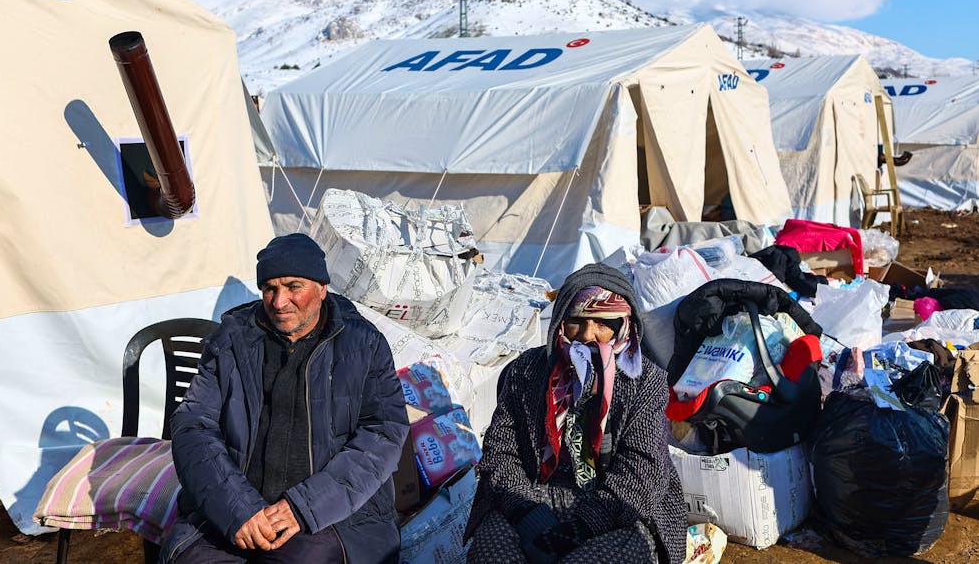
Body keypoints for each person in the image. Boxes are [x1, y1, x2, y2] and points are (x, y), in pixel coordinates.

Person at [161, 233, 409, 563]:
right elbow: (193, 425)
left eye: (294, 286)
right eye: (270, 288)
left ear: (322, 288)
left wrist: (304, 507)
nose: (279, 302)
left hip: (332, 513)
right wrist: (239, 508)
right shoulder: (233, 340)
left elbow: (383, 432)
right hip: (240, 505)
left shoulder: (363, 344)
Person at [464, 263, 686, 564]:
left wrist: (582, 526)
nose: (587, 335)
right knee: (491, 553)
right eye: (576, 322)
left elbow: (642, 470)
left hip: (617, 508)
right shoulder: (526, 370)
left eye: (603, 322)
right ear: (560, 321)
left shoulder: (645, 381)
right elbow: (501, 452)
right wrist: (525, 512)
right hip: (532, 494)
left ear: (624, 324)